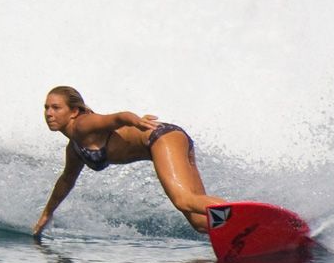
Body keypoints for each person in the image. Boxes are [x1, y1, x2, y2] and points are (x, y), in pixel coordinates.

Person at [33, 85, 226, 236]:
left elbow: (118, 117)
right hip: (169, 139)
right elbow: (66, 181)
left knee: (183, 200)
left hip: (160, 137)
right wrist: (47, 213)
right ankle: (236, 231)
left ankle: (237, 216)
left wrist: (136, 121)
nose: (49, 113)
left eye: (56, 108)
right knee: (199, 222)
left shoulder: (84, 124)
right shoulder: (75, 148)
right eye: (46, 108)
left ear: (74, 111)